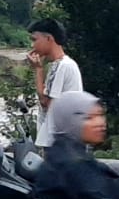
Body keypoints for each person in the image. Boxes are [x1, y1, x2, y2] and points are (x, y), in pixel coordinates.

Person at [28, 18, 83, 153]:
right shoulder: (59, 65)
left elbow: (45, 102)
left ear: (49, 39)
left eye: (35, 40)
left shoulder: (62, 66)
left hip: (60, 142)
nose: (32, 45)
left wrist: (38, 70)